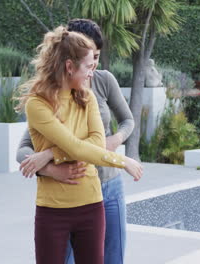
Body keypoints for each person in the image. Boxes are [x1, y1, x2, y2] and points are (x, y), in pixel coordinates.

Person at [15, 25, 143, 264]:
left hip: (91, 204)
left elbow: (95, 141)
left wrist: (49, 154)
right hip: (52, 210)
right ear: (69, 66)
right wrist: (122, 160)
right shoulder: (38, 104)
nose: (91, 73)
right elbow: (75, 147)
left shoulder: (88, 96)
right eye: (88, 66)